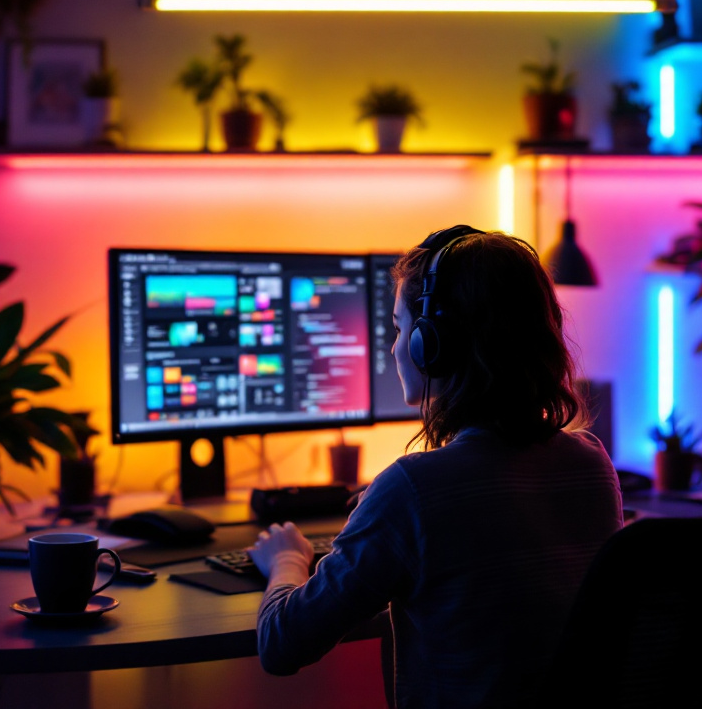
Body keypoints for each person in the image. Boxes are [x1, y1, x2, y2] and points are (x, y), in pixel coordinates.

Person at [248, 225, 624, 708]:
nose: (394, 347)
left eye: (402, 329)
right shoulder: (592, 464)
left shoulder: (413, 490)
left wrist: (286, 559)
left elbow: (282, 644)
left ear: (433, 346)